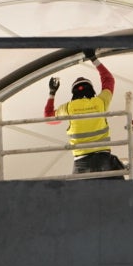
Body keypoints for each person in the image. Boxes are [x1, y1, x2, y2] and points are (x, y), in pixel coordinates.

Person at [45, 49, 126, 179]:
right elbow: (108, 79)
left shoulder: (69, 108)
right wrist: (93, 58)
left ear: (74, 93)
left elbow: (48, 118)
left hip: (81, 163)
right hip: (103, 159)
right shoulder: (100, 102)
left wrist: (52, 92)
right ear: (91, 90)